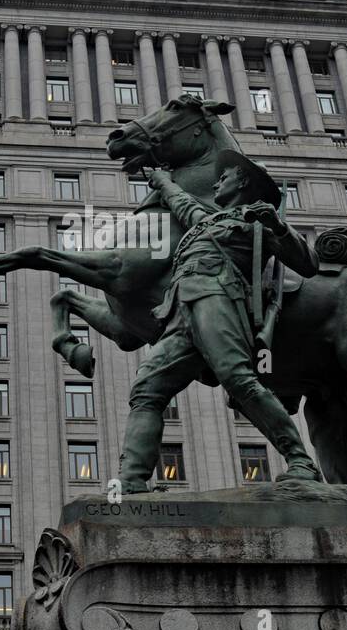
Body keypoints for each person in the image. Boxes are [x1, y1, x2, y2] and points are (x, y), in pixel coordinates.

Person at [117, 150, 322, 493]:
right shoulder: (208, 219)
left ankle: (299, 460)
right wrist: (161, 179)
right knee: (147, 389)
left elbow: (308, 263)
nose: (216, 182)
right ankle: (132, 482)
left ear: (242, 181)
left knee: (238, 378)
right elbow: (182, 203)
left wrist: (278, 227)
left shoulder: (257, 219)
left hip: (217, 296)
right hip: (179, 308)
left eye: (224, 177)